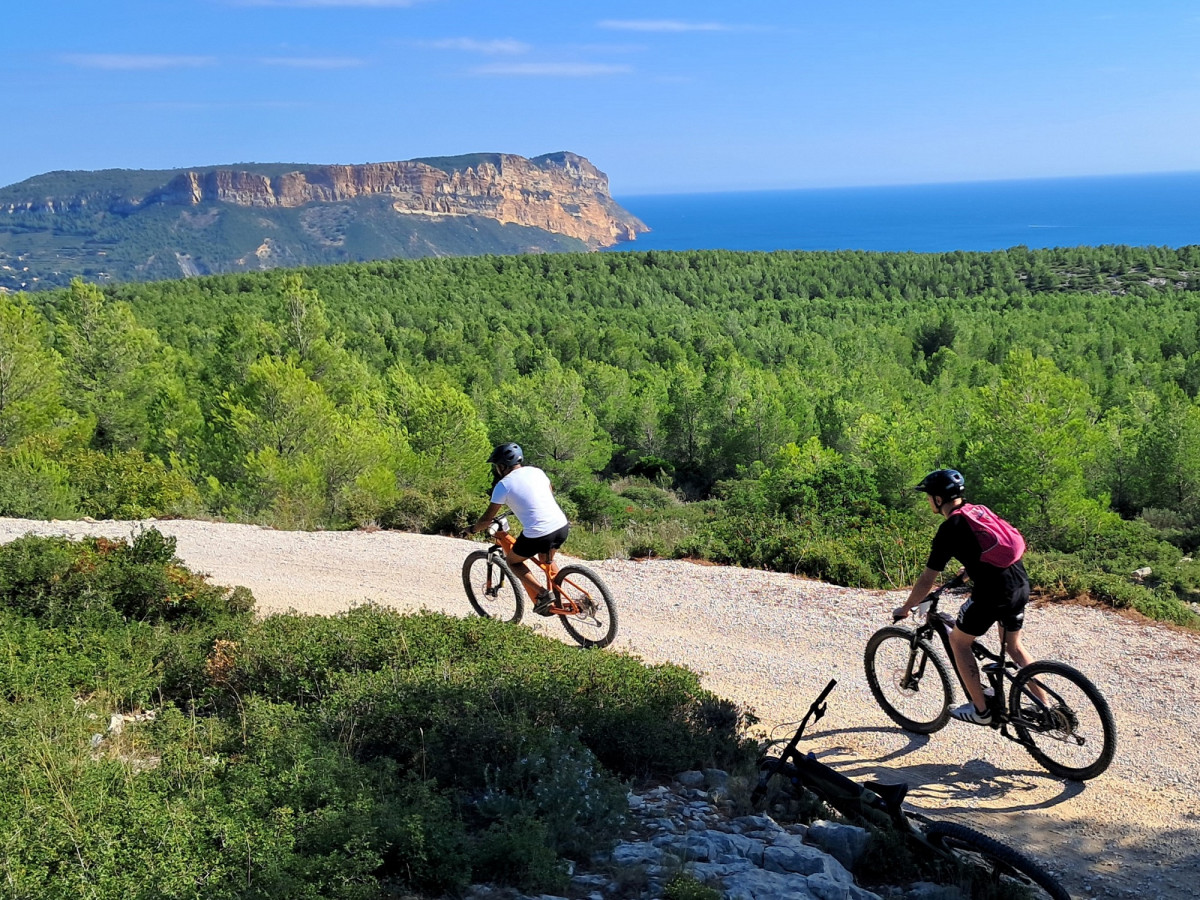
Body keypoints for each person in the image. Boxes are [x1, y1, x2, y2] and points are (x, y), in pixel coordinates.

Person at [892, 468, 1034, 726]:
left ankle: (982, 711)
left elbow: (927, 578)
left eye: (929, 497)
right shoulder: (978, 511)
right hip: (1020, 584)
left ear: (937, 499)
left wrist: (906, 607)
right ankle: (1050, 710)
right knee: (1014, 647)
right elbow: (989, 550)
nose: (928, 501)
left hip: (994, 594)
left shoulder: (950, 528)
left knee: (959, 642)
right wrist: (969, 572)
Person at [467, 442, 570, 615]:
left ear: (501, 466)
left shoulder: (503, 485)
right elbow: (547, 494)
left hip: (539, 534)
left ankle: (544, 594)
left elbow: (487, 519)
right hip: (561, 526)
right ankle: (563, 600)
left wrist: (471, 530)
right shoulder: (537, 471)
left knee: (512, 561)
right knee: (547, 561)